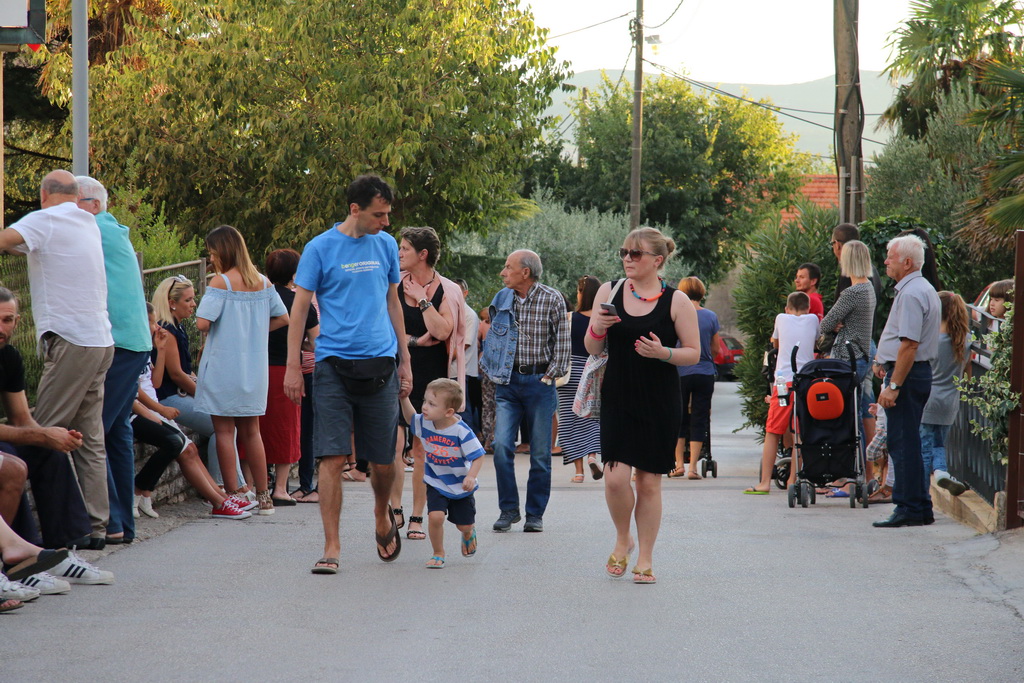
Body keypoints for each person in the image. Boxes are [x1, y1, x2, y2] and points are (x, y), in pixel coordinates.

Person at [284, 174, 411, 574]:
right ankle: (331, 544)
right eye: (379, 214)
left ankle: (380, 513)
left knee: (384, 459)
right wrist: (292, 367)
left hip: (380, 363)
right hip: (333, 365)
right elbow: (300, 309)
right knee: (333, 455)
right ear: (355, 209)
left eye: (388, 214)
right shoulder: (320, 248)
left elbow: (394, 302)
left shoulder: (386, 245)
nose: (386, 222)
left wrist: (404, 356)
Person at [0, 170, 115, 548]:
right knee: (89, 437)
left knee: (42, 434)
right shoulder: (87, 221)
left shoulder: (45, 219)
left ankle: (41, 538)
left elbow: (5, 241)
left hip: (71, 340)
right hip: (101, 340)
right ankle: (96, 527)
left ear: (43, 194)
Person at [585, 228, 700, 584]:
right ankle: (624, 538)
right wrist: (599, 328)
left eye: (636, 254)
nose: (628, 259)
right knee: (616, 480)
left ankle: (645, 556)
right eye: (624, 252)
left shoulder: (676, 301)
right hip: (618, 396)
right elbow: (591, 347)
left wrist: (663, 353)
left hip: (659, 400)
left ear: (658, 260)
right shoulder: (611, 291)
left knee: (649, 482)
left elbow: (693, 353)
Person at [75, 176, 154, 545]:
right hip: (132, 341)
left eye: (69, 204)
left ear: (91, 204)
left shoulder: (92, 230)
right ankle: (123, 524)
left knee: (96, 430)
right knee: (118, 430)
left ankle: (112, 522)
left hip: (118, 341)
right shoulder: (111, 229)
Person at [195, 225, 288, 516]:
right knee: (252, 431)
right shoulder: (263, 281)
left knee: (224, 431)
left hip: (224, 364)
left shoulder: (220, 282)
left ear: (221, 251)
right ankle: (264, 497)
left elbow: (202, 323)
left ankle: (235, 493)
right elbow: (283, 318)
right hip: (254, 366)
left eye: (212, 253)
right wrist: (257, 331)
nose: (211, 259)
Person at [131, 303, 252, 520]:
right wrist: (158, 410)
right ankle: (218, 500)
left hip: (154, 408)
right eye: (151, 322)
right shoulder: (128, 350)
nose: (156, 326)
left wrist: (159, 350)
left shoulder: (145, 348)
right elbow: (133, 391)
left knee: (190, 449)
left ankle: (221, 497)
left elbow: (155, 382)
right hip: (143, 411)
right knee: (183, 448)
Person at [481, 249, 569, 533]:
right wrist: (493, 371)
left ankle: (534, 514)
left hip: (539, 384)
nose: (503, 272)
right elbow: (494, 338)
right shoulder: (502, 298)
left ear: (525, 272)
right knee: (502, 447)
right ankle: (508, 510)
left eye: (508, 267)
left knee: (541, 454)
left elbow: (563, 344)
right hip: (507, 384)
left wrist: (550, 376)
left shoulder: (552, 298)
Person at [393, 226, 466, 542]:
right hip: (397, 369)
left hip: (432, 379)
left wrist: (422, 299)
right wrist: (411, 340)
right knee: (393, 445)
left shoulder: (446, 290)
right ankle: (394, 508)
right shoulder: (393, 286)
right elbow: (384, 326)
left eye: (405, 248)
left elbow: (442, 330)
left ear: (422, 254)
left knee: (422, 448)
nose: (399, 253)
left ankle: (416, 516)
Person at [151, 276, 248, 499]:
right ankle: (220, 486)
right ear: (171, 302)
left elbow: (186, 371)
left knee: (225, 423)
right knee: (219, 426)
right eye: (189, 300)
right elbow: (176, 374)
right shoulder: (168, 329)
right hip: (167, 397)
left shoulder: (178, 327)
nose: (194, 304)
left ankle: (236, 485)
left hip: (179, 393)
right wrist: (206, 395)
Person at [872, 234, 941, 528]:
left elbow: (909, 345)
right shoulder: (921, 288)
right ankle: (920, 506)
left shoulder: (912, 293)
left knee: (902, 444)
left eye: (890, 256)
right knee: (909, 441)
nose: (886, 261)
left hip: (908, 376)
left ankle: (908, 507)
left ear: (907, 262)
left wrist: (894, 385)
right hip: (913, 373)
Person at [400, 378, 483, 568]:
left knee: (464, 525)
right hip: (436, 480)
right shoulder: (426, 422)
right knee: (435, 517)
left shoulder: (461, 431)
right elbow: (410, 418)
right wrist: (404, 398)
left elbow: (478, 456)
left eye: (431, 404)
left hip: (461, 485)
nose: (425, 407)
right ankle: (438, 553)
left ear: (449, 412)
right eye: (425, 401)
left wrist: (470, 476)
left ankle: (468, 532)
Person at [260, 249, 320, 505]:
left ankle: (255, 485)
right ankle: (281, 488)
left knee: (256, 428)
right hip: (288, 370)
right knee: (286, 428)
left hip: (257, 369)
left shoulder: (258, 298)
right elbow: (318, 343)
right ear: (295, 274)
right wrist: (302, 346)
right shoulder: (301, 303)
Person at [744, 291, 819, 495]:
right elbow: (816, 342)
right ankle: (792, 480)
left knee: (773, 431)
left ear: (787, 308)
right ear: (808, 308)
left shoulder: (780, 318)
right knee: (799, 432)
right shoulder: (813, 319)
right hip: (805, 382)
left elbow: (775, 344)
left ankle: (765, 482)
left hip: (783, 383)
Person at [819, 239, 878, 480]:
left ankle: (851, 476)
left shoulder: (851, 292)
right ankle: (865, 473)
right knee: (860, 414)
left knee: (848, 420)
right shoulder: (869, 288)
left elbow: (825, 324)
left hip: (846, 358)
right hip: (863, 355)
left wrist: (836, 325)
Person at [670, 276, 720, 480]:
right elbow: (716, 348)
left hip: (681, 372)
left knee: (678, 417)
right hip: (704, 372)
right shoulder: (710, 316)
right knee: (700, 417)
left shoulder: (676, 314)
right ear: (701, 292)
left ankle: (679, 465)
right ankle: (693, 469)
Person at [922, 291, 970, 498]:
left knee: (924, 450)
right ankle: (941, 471)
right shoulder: (965, 340)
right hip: (950, 401)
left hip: (927, 399)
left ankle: (922, 495)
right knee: (939, 442)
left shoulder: (931, 340)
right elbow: (967, 375)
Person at [557, 276, 603, 482]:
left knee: (569, 419)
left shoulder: (568, 318)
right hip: (595, 370)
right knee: (592, 417)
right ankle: (592, 456)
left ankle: (578, 471)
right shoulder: (603, 319)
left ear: (581, 292)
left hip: (570, 372)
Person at [451, 278, 481, 432]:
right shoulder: (449, 311)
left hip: (461, 372)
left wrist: (443, 360)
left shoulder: (469, 314)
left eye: (457, 291)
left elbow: (464, 344)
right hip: (450, 371)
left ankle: (468, 447)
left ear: (465, 293)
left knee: (463, 409)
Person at [831, 223, 883, 302]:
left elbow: (842, 309)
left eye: (832, 243)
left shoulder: (850, 271)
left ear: (837, 244)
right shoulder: (870, 268)